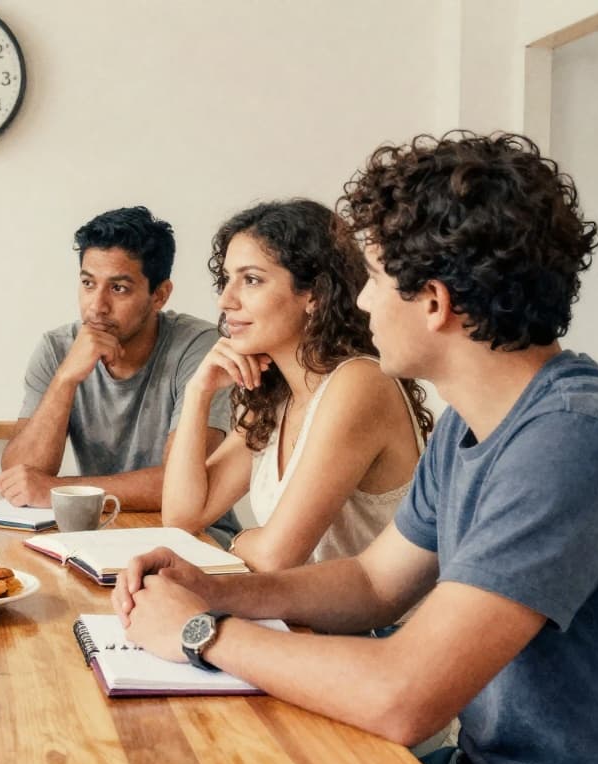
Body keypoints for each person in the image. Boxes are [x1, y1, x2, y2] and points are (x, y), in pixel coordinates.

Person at [113, 132, 598, 764]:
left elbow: (404, 695)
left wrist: (199, 632)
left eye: (376, 280)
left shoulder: (570, 440)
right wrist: (211, 591)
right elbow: (372, 583)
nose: (358, 301)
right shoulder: (475, 421)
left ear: (434, 302)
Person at [161, 199, 431, 571]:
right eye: (227, 279)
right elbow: (182, 516)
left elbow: (276, 556)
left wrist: (233, 541)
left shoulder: (359, 383)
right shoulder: (274, 398)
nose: (225, 299)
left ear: (315, 295)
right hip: (306, 620)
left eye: (251, 279)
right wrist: (198, 393)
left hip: (379, 629)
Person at [0, 206, 239, 542]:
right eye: (88, 283)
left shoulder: (200, 348)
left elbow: (178, 484)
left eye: (119, 288)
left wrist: (62, 490)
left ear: (160, 295)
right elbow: (18, 476)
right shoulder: (57, 348)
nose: (97, 306)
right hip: (99, 535)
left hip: (194, 538)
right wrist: (66, 379)